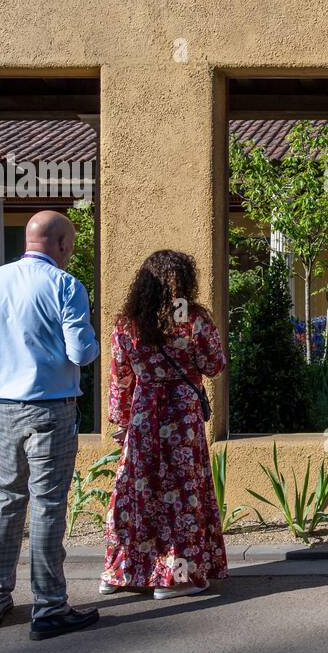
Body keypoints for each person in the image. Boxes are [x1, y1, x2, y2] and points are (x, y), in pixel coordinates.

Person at [0, 210, 101, 640]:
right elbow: (81, 353)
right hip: (51, 408)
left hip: (3, 407)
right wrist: (92, 342)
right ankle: (49, 606)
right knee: (47, 504)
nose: (70, 253)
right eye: (70, 246)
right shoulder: (64, 285)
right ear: (60, 244)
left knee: (7, 498)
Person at [100, 250, 228, 600]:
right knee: (181, 493)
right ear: (186, 281)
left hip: (143, 415)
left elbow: (120, 378)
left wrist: (122, 421)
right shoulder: (193, 319)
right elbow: (214, 364)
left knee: (137, 491)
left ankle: (120, 572)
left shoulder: (128, 322)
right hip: (181, 416)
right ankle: (176, 578)